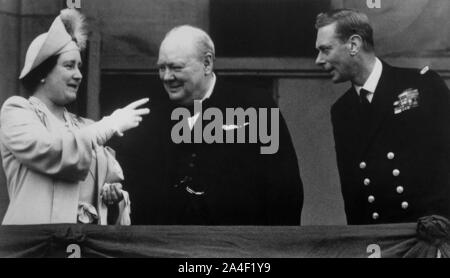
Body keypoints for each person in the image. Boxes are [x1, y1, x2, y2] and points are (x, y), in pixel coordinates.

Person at [118, 25, 303, 225]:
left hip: (240, 249)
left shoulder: (256, 106)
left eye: (176, 67)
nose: (166, 76)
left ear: (207, 63)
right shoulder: (148, 115)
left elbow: (285, 189)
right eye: (162, 67)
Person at [0, 9, 150, 225]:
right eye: (69, 66)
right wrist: (109, 124)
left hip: (82, 247)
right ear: (43, 73)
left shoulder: (84, 126)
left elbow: (106, 195)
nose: (79, 75)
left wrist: (112, 196)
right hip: (36, 246)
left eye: (79, 66)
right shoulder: (17, 111)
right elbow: (49, 150)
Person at [315, 9, 450, 224]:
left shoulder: (422, 86)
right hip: (379, 239)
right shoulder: (342, 111)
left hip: (428, 235)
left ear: (353, 45)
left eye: (325, 49)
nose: (318, 60)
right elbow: (353, 196)